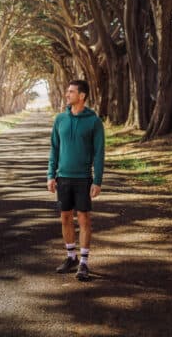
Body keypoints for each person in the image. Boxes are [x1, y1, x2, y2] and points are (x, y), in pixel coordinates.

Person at [47, 79, 105, 281]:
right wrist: (50, 175)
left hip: (83, 179)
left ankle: (84, 262)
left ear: (82, 96)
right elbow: (54, 148)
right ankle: (71, 256)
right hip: (63, 178)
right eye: (67, 91)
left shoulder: (94, 122)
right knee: (65, 217)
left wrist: (97, 180)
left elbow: (99, 153)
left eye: (71, 92)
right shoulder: (60, 120)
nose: (67, 94)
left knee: (84, 219)